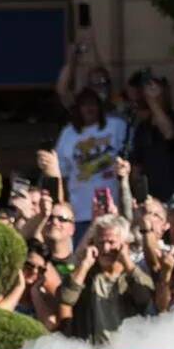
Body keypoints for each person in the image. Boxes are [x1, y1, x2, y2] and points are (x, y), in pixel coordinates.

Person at [58, 214, 154, 344]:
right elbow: (66, 298)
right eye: (100, 242)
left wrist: (127, 262)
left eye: (111, 242)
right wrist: (84, 265)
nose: (105, 249)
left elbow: (145, 299)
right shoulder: (87, 275)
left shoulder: (132, 275)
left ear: (124, 244)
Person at [52, 88, 128, 243]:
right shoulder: (68, 134)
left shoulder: (117, 126)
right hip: (80, 212)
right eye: (84, 105)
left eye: (93, 104)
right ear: (77, 109)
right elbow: (61, 174)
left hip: (113, 211)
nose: (89, 109)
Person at [129, 74, 174, 200]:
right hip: (150, 197)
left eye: (157, 91)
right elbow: (137, 165)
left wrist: (152, 101)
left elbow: (169, 133)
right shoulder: (142, 127)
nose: (153, 94)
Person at [0, 239, 60, 331]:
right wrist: (19, 287)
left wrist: (35, 292)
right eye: (29, 265)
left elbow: (49, 326)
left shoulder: (45, 299)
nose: (34, 272)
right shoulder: (0, 292)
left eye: (41, 270)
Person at [39, 200, 78, 280]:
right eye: (50, 217)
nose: (54, 222)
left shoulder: (77, 265)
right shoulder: (36, 258)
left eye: (62, 219)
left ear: (72, 229)